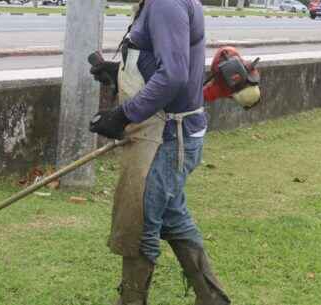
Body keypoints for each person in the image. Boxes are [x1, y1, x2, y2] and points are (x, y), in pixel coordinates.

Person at [89, 0, 231, 304]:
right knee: (172, 217)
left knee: (140, 224)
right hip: (167, 132)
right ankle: (213, 298)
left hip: (167, 137)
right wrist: (117, 72)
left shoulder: (166, 3)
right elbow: (162, 63)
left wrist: (124, 115)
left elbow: (174, 75)